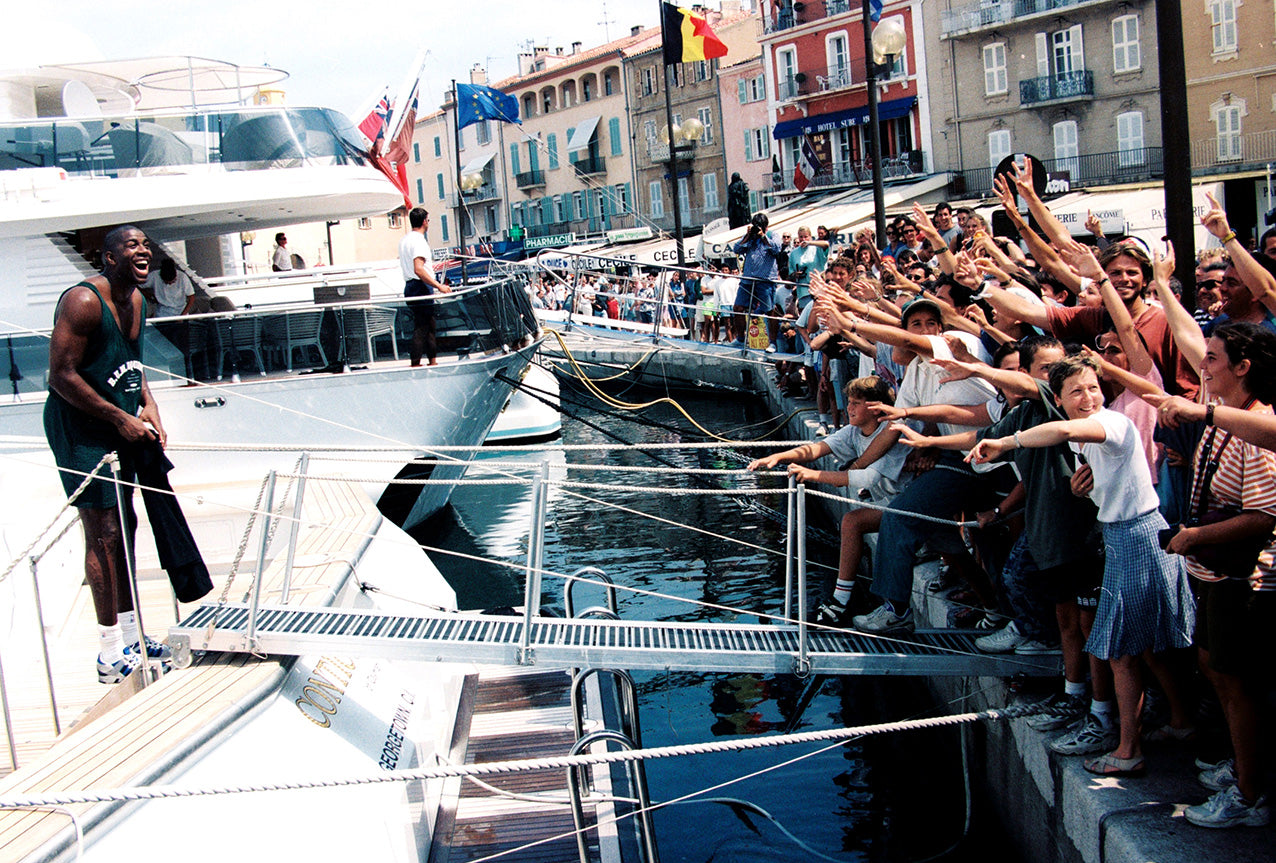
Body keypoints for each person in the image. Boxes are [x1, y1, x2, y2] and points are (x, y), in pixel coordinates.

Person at [967, 354, 1194, 777]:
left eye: (1093, 387)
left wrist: (1006, 443)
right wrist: (1081, 489)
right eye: (1076, 391)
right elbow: (1103, 484)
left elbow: (1066, 428)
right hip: (1122, 534)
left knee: (1122, 653)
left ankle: (1128, 749)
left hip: (1136, 536)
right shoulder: (1083, 442)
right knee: (1144, 645)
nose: (1088, 397)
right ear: (1059, 396)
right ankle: (1181, 722)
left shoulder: (1109, 423)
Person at [43, 225, 174, 684]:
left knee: (128, 523)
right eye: (132, 245)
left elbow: (132, 369)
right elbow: (60, 375)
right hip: (79, 425)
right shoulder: (82, 303)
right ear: (109, 258)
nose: (143, 250)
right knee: (103, 530)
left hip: (117, 417)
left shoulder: (136, 301)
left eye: (145, 244)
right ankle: (107, 650)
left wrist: (148, 405)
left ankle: (134, 636)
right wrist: (118, 419)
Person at [1161, 322, 1276, 828]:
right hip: (1212, 576)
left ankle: (1252, 795)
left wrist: (1198, 537)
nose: (1201, 367)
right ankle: (1247, 768)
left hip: (1241, 579)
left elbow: (1263, 516)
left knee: (1236, 680)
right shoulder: (1224, 419)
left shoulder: (1257, 428)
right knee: (1213, 666)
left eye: (1211, 359)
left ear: (1242, 368)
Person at [748, 376, 909, 624]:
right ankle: (842, 600)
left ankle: (841, 602)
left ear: (876, 407)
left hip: (907, 503)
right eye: (849, 402)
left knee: (852, 522)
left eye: (856, 403)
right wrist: (778, 457)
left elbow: (866, 478)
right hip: (892, 502)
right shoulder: (853, 432)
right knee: (851, 522)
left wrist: (815, 476)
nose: (850, 408)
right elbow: (817, 449)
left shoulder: (891, 432)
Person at [400, 208, 451, 366]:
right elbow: (419, 268)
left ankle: (432, 361)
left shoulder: (405, 240)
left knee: (429, 325)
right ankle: (415, 363)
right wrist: (439, 286)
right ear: (424, 222)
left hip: (410, 286)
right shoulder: (419, 241)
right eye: (428, 220)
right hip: (420, 286)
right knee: (422, 326)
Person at [730, 212, 782, 349]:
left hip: (765, 280)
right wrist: (748, 236)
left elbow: (777, 249)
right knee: (738, 308)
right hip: (748, 280)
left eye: (760, 226)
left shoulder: (772, 235)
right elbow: (736, 249)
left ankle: (772, 342)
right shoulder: (750, 237)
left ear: (766, 226)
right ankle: (741, 338)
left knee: (769, 310)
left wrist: (763, 237)